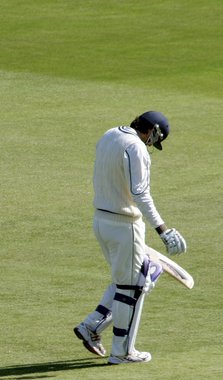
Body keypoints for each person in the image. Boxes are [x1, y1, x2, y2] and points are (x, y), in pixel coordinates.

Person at [74, 111, 187, 364]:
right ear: (153, 131)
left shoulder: (110, 134)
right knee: (133, 286)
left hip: (101, 220)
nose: (151, 144)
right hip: (125, 224)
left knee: (137, 277)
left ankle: (92, 326)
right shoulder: (136, 148)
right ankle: (123, 352)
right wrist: (163, 230)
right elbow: (140, 193)